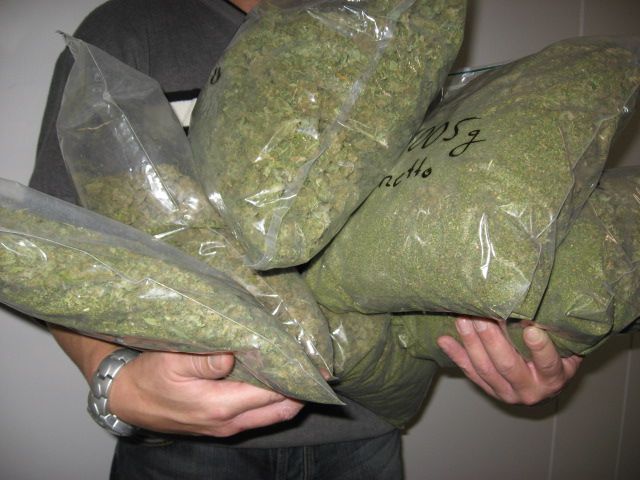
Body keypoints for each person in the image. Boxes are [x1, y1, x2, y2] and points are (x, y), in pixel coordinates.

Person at [29, 0, 583, 478]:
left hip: (366, 432)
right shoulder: (132, 27)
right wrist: (115, 384)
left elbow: (421, 226)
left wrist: (526, 341)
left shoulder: (394, 26)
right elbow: (62, 247)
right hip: (188, 447)